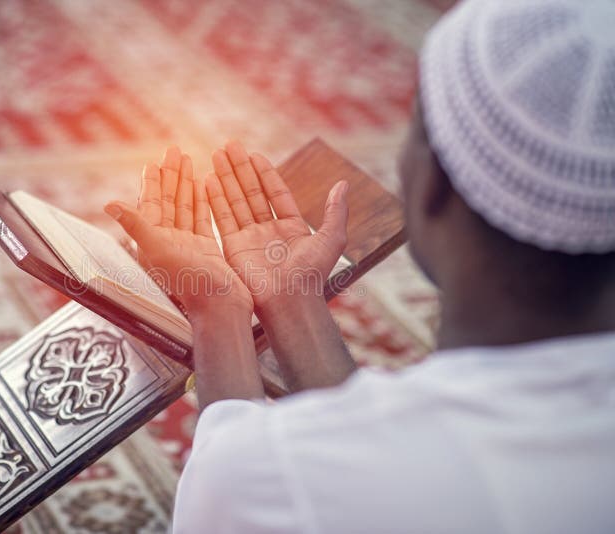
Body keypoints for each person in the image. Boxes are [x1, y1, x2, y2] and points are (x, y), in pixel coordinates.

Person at [105, 0, 615, 531]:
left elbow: (302, 472)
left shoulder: (268, 481)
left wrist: (215, 315)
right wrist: (292, 300)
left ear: (434, 186)